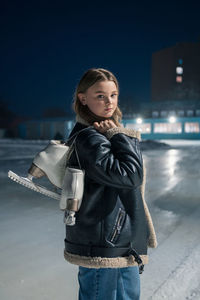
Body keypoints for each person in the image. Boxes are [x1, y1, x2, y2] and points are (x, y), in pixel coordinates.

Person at [63, 68, 157, 300]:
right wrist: (120, 135)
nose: (109, 102)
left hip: (118, 240)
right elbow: (130, 175)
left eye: (113, 95)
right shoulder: (90, 137)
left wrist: (115, 134)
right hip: (104, 242)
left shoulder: (103, 134)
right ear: (83, 98)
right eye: (100, 96)